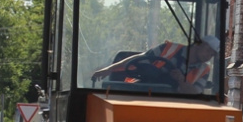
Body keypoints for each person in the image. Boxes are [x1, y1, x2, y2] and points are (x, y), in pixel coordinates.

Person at [91, 35, 220, 94]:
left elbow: (195, 93)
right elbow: (139, 59)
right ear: (198, 45)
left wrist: (181, 81)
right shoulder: (168, 48)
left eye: (212, 54)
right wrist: (108, 70)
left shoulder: (204, 70)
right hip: (139, 92)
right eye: (208, 50)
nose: (209, 56)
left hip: (173, 104)